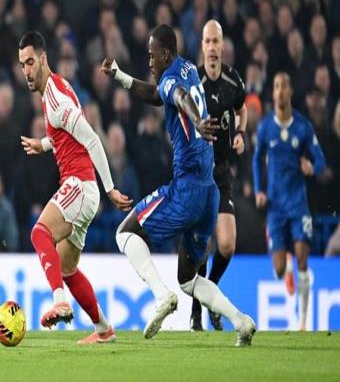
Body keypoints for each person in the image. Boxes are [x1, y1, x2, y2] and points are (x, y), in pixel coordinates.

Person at [102, 24, 256, 347]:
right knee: (188, 279)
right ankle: (241, 321)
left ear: (166, 53)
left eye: (152, 55)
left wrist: (197, 120)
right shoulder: (187, 68)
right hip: (209, 194)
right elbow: (158, 95)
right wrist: (120, 76)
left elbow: (179, 96)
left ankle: (161, 296)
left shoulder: (172, 79)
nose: (150, 62)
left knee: (125, 234)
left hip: (186, 191)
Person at [18, 31, 132, 344]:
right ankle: (103, 329)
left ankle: (59, 301)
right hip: (82, 189)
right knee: (67, 268)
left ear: (43, 59)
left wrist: (110, 189)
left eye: (30, 62)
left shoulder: (54, 98)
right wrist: (44, 144)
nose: (26, 70)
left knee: (39, 233)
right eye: (22, 64)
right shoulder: (56, 88)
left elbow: (91, 138)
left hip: (80, 185)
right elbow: (64, 134)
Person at [253, 72, 326, 331]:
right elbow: (256, 160)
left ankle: (303, 322)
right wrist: (259, 191)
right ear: (273, 93)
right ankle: (287, 272)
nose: (280, 91)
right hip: (275, 207)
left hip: (298, 204)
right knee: (278, 268)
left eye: (284, 86)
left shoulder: (303, 127)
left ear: (291, 92)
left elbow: (321, 160)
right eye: (276, 87)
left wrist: (311, 167)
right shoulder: (265, 127)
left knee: (303, 258)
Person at [190, 20, 247, 331]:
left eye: (216, 41)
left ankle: (211, 291)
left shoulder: (232, 80)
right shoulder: (194, 82)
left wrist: (240, 132)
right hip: (199, 173)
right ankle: (197, 312)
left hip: (222, 172)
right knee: (201, 246)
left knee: (227, 245)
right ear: (202, 45)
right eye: (207, 41)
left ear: (223, 46)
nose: (212, 47)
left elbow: (243, 108)